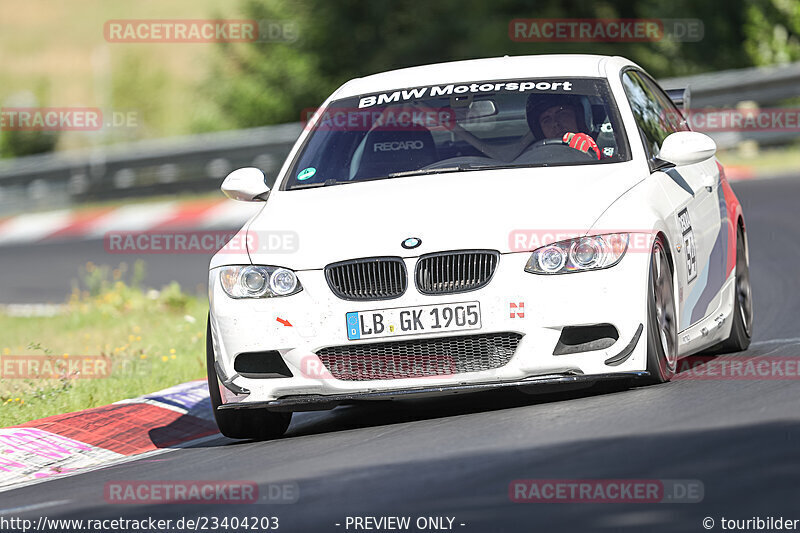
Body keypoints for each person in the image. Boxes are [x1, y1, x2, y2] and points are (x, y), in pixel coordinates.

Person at [526, 94, 602, 160]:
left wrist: (594, 156)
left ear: (580, 118)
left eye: (562, 114)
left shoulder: (605, 144)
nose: (555, 123)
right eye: (546, 120)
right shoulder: (531, 160)